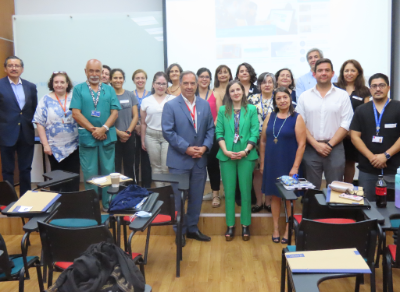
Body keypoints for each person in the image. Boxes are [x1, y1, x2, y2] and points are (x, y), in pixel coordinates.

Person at [162, 71, 214, 245]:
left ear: (197, 84)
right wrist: (187, 149)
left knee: (196, 197)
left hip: (199, 160)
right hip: (179, 160)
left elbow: (210, 129)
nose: (190, 87)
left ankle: (192, 229)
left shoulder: (205, 105)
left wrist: (205, 147)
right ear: (180, 84)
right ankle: (179, 231)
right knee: (178, 199)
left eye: (193, 83)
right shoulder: (171, 106)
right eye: (186, 83)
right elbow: (168, 132)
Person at [70, 59, 121, 210]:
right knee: (89, 173)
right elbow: (76, 114)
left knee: (108, 172)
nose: (94, 74)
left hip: (107, 136)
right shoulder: (79, 89)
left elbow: (115, 112)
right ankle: (91, 207)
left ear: (101, 72)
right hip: (88, 137)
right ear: (85, 71)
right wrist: (94, 130)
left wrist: (103, 128)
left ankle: (107, 204)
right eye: (91, 71)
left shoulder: (109, 89)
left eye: (97, 71)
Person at [296, 58, 353, 190]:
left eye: (327, 70)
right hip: (311, 147)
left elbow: (346, 123)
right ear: (314, 74)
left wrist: (329, 145)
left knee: (335, 190)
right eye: (320, 70)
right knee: (310, 191)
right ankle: (312, 212)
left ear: (332, 73)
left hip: (335, 148)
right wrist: (316, 145)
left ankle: (333, 212)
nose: (323, 73)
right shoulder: (304, 96)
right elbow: (301, 124)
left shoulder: (342, 95)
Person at [260, 87, 306, 244]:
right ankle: (275, 228)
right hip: (272, 162)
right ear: (275, 101)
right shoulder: (270, 116)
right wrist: (262, 163)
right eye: (278, 98)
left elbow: (301, 145)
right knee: (274, 196)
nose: (282, 100)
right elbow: (264, 141)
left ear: (290, 98)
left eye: (285, 97)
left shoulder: (296, 117)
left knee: (289, 198)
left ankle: (288, 228)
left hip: (289, 162)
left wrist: (295, 167)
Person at [216, 80, 259, 241]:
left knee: (246, 191)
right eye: (232, 90)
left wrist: (246, 150)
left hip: (246, 155)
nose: (235, 93)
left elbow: (255, 132)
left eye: (238, 90)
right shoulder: (222, 110)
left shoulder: (252, 109)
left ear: (243, 92)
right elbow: (219, 132)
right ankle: (230, 225)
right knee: (229, 192)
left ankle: (246, 225)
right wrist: (225, 150)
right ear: (228, 93)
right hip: (226, 155)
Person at [350, 73, 400, 201]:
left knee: (394, 208)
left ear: (388, 87)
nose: (378, 89)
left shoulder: (398, 107)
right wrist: (372, 157)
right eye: (374, 86)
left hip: (394, 169)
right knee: (367, 206)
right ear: (370, 89)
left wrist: (386, 155)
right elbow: (355, 136)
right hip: (367, 169)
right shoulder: (361, 110)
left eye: (381, 85)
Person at [33, 71, 80, 192]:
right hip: (54, 147)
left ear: (67, 83)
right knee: (56, 179)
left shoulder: (74, 97)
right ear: (52, 84)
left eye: (62, 82)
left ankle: (72, 205)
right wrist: (45, 145)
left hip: (74, 145)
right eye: (56, 82)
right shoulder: (45, 99)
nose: (59, 84)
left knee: (73, 178)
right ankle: (56, 206)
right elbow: (39, 123)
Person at [0, 56, 37, 196]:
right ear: (5, 68)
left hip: (26, 132)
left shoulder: (30, 86)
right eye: (10, 65)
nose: (14, 68)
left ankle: (25, 196)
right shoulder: (0, 85)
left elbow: (33, 108)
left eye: (17, 66)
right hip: (6, 133)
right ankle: (8, 199)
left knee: (26, 168)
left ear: (22, 69)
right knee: (8, 169)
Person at [334, 60, 371, 183]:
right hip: (336, 132)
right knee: (336, 163)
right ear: (342, 73)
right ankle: (335, 190)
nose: (349, 73)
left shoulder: (365, 91)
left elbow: (367, 113)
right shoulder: (335, 88)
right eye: (346, 70)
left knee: (350, 162)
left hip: (353, 134)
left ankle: (347, 190)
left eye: (352, 70)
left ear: (358, 73)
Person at [247, 72, 276, 213]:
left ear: (274, 84)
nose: (267, 85)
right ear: (259, 85)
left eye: (270, 82)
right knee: (257, 172)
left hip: (274, 140)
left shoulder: (280, 98)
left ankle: (269, 202)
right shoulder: (251, 99)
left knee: (271, 171)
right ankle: (259, 202)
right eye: (264, 82)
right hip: (255, 140)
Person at [141, 72, 175, 187]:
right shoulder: (146, 101)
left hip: (168, 136)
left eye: (164, 84)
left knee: (166, 166)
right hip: (151, 136)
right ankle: (161, 193)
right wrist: (142, 140)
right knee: (155, 166)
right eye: (158, 83)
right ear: (153, 84)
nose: (161, 86)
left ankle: (168, 195)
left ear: (167, 85)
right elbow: (143, 123)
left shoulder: (173, 99)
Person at [196, 68, 221, 207]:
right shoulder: (191, 94)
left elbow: (219, 114)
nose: (204, 79)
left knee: (212, 165)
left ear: (210, 79)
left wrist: (209, 129)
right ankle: (196, 193)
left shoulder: (215, 94)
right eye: (201, 76)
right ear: (197, 78)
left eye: (207, 77)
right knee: (197, 166)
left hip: (212, 134)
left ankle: (215, 195)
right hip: (194, 135)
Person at [110, 69, 139, 180]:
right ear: (110, 80)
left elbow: (135, 116)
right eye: (115, 78)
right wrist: (119, 133)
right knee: (115, 166)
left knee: (129, 166)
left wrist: (127, 132)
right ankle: (116, 193)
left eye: (120, 78)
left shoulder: (130, 95)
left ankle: (130, 191)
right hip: (113, 136)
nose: (118, 80)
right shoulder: (108, 96)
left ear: (124, 79)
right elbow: (106, 118)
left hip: (129, 136)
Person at [132, 69, 152, 188]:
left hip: (148, 130)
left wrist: (143, 126)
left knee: (147, 161)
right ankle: (134, 186)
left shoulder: (151, 94)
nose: (140, 80)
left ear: (146, 80)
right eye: (137, 78)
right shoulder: (129, 94)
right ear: (134, 80)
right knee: (134, 161)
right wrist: (135, 126)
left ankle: (146, 186)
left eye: (142, 78)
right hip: (132, 130)